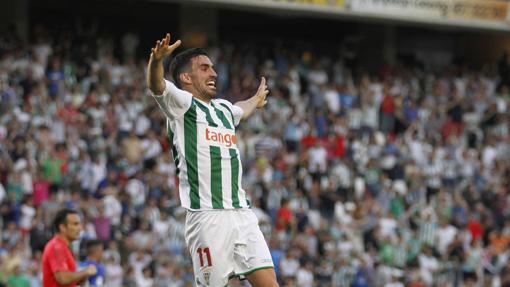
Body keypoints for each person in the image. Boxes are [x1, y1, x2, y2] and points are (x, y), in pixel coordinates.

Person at [147, 33, 278, 286]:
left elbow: (242, 108)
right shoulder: (182, 105)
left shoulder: (223, 110)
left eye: (213, 68)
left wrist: (256, 100)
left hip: (242, 213)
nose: (214, 73)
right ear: (186, 77)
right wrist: (156, 62)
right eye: (204, 68)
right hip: (207, 216)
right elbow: (156, 86)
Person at [42, 208, 97, 286]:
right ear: (62, 227)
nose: (80, 228)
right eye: (75, 224)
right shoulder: (57, 247)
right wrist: (86, 271)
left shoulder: (63, 247)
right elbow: (62, 278)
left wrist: (81, 278)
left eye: (80, 224)